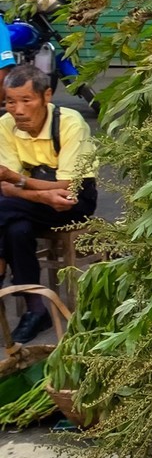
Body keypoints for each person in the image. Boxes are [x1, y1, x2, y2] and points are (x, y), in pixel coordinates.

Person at [0, 65, 97, 342]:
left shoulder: (69, 123)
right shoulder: (5, 125)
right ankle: (36, 309)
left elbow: (69, 189)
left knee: (5, 208)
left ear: (47, 96)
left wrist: (17, 182)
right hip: (24, 202)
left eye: (26, 100)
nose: (17, 110)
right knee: (16, 229)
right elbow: (6, 184)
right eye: (10, 101)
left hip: (74, 203)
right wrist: (40, 194)